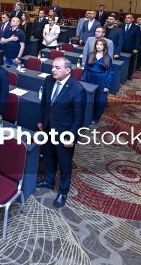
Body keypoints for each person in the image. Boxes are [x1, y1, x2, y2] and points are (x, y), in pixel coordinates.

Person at [37, 57, 87, 208]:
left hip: (65, 133)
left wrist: (72, 136)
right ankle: (49, 180)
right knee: (48, 156)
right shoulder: (48, 80)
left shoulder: (77, 89)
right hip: (48, 127)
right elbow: (44, 103)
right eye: (53, 67)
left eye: (57, 68)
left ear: (68, 70)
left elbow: (79, 118)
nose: (53, 70)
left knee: (64, 163)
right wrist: (41, 120)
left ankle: (63, 192)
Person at [82, 38, 112, 124]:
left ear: (104, 47)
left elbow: (109, 72)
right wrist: (83, 80)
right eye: (97, 44)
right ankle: (87, 115)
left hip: (101, 78)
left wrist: (107, 85)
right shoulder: (90, 55)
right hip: (90, 77)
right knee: (88, 98)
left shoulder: (108, 58)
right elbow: (86, 68)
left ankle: (95, 118)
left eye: (101, 45)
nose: (98, 46)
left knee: (99, 99)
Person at [121, 14, 141, 80]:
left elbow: (138, 39)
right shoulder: (121, 26)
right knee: (120, 61)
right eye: (126, 17)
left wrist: (136, 48)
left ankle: (129, 75)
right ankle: (121, 75)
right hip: (121, 47)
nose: (127, 19)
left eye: (129, 18)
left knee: (130, 62)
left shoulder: (136, 28)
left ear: (132, 19)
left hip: (130, 48)